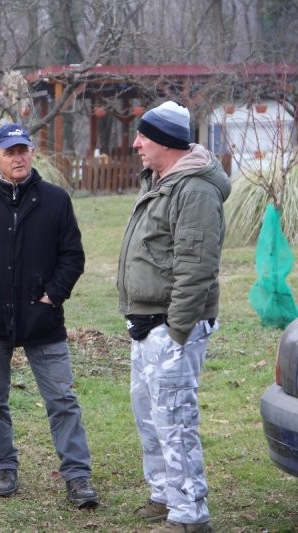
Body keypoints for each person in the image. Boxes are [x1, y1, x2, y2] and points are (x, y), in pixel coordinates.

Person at [0, 123, 99, 509]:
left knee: (62, 399)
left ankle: (77, 475)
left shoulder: (55, 200)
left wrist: (51, 297)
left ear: (32, 153)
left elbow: (72, 256)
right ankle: (3, 467)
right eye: (10, 152)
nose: (18, 158)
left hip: (43, 320)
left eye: (23, 150)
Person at [118, 101, 230, 533]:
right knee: (150, 415)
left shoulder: (195, 190)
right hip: (147, 324)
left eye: (143, 136)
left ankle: (189, 516)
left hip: (173, 327)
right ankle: (164, 494)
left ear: (165, 141)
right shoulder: (159, 180)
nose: (136, 144)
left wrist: (178, 330)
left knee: (176, 420)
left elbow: (196, 266)